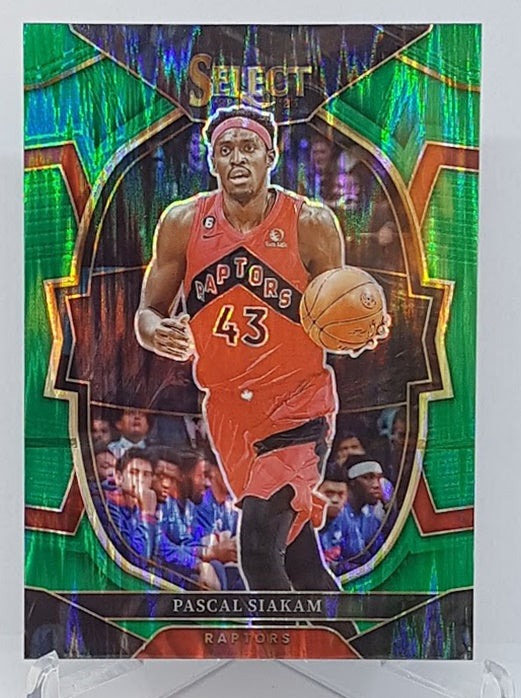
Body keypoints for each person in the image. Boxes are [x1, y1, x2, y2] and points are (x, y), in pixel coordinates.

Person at [135, 105, 387, 594]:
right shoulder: (183, 222)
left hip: (298, 406)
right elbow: (148, 311)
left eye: (248, 147)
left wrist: (360, 332)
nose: (237, 158)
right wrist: (155, 330)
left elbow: (338, 314)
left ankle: (276, 644)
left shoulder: (311, 222)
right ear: (212, 160)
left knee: (254, 549)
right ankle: (345, 631)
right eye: (225, 150)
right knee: (297, 558)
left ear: (270, 155)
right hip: (227, 411)